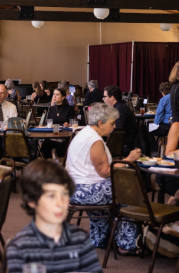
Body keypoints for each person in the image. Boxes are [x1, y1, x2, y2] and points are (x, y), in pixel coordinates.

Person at [66, 103, 141, 250]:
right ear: (100, 123)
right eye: (112, 123)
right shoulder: (95, 140)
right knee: (129, 192)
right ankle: (126, 244)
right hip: (83, 190)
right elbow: (105, 172)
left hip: (74, 187)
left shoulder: (85, 133)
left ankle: (102, 239)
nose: (114, 127)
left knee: (117, 188)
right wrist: (128, 160)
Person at [6, 160, 102, 273]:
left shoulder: (80, 239)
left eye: (64, 194)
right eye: (51, 196)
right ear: (32, 201)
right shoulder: (20, 247)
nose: (60, 203)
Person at [103, 85, 136, 155]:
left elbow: (118, 131)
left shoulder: (120, 109)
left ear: (112, 97)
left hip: (124, 146)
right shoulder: (119, 106)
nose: (103, 99)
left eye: (105, 96)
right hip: (122, 143)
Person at [149, 82, 172, 155]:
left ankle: (155, 150)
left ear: (162, 92)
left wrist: (155, 123)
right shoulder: (176, 97)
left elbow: (159, 114)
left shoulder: (164, 99)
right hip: (176, 125)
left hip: (166, 126)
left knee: (145, 129)